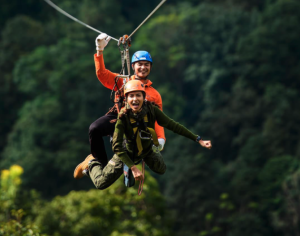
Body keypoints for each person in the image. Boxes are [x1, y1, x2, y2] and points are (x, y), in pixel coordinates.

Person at [75, 80, 212, 189]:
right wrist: (134, 168)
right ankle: (91, 163)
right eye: (131, 96)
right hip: (126, 153)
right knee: (101, 183)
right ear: (127, 99)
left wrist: (197, 139)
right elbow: (117, 147)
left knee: (161, 169)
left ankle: (138, 158)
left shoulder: (151, 110)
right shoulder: (123, 117)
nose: (135, 99)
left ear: (144, 97)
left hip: (146, 150)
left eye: (138, 95)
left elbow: (172, 125)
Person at [74, 33, 166, 178]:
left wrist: (160, 138)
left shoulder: (154, 94)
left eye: (146, 65)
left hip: (139, 124)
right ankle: (96, 162)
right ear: (133, 66)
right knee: (95, 128)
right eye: (139, 64)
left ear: (150, 67)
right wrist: (99, 51)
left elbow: (158, 118)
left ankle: (126, 169)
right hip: (119, 116)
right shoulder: (123, 81)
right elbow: (102, 75)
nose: (143, 67)